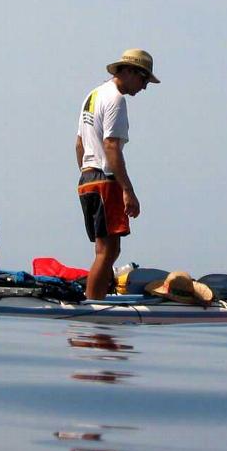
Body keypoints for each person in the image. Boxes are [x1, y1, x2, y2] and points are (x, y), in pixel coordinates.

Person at [76, 48, 160, 300]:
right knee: (108, 252)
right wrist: (128, 190)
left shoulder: (92, 95)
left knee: (103, 250)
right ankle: (93, 305)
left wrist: (87, 174)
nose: (144, 87)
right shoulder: (116, 100)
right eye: (143, 79)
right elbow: (111, 146)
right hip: (104, 180)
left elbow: (79, 143)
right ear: (129, 71)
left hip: (87, 178)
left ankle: (94, 300)